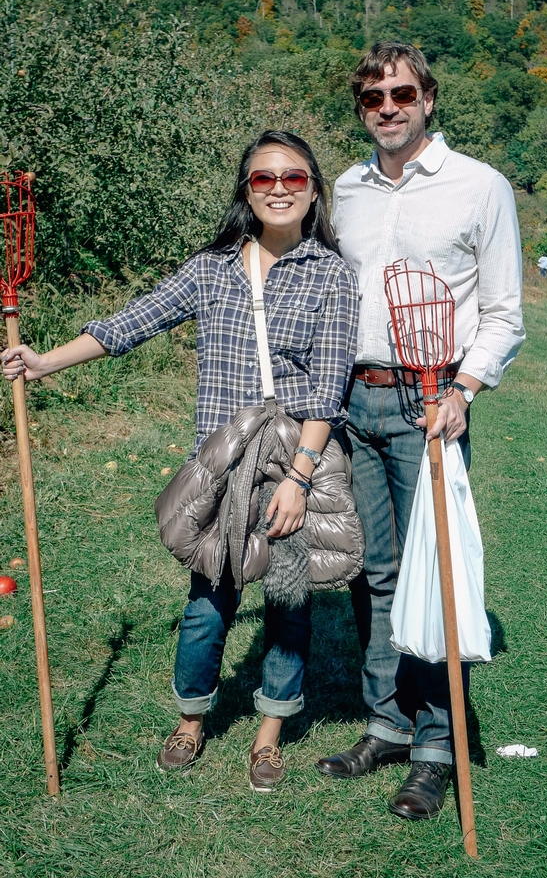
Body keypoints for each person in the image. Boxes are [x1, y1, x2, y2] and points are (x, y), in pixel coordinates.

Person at [1, 130, 359, 792]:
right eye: (262, 179)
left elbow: (328, 388)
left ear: (313, 191)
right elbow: (129, 324)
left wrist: (301, 483)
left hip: (288, 468)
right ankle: (192, 720)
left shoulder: (332, 276)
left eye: (293, 178)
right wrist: (45, 362)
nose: (278, 188)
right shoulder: (210, 269)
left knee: (286, 606)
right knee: (206, 607)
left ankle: (269, 735)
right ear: (245, 192)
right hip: (220, 470)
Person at [316, 42, 525, 820]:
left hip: (429, 399)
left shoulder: (479, 186)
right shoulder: (346, 186)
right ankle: (387, 724)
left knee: (430, 574)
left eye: (402, 93)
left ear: (429, 98)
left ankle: (436, 746)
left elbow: (503, 312)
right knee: (374, 573)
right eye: (372, 99)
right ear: (361, 109)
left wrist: (465, 387)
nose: (388, 108)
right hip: (352, 398)